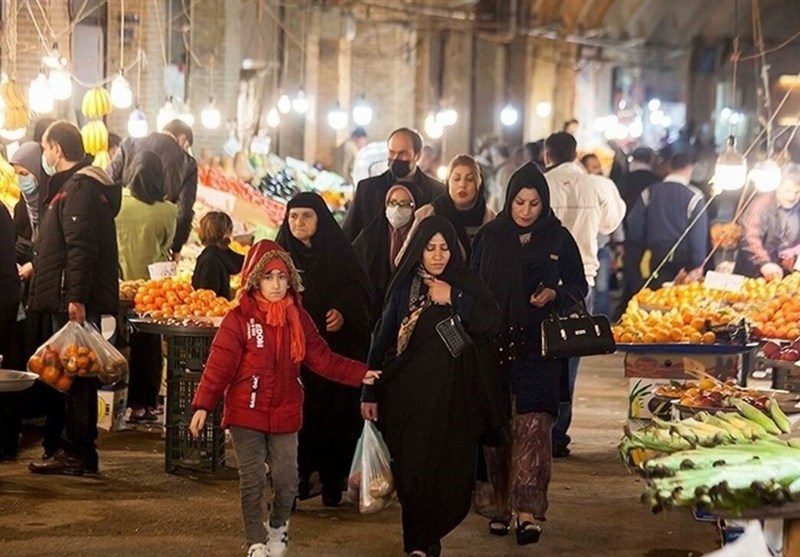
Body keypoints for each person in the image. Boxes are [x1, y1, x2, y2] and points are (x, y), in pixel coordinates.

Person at [189, 240, 379, 557]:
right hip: (246, 411)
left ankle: (277, 527)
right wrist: (203, 405)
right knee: (252, 480)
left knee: (287, 480)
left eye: (282, 277)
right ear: (255, 280)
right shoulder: (239, 319)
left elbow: (323, 359)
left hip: (286, 411)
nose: (276, 285)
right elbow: (219, 365)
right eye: (268, 277)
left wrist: (360, 373)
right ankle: (255, 541)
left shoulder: (298, 319)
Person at [361, 216, 501, 557]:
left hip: (454, 401)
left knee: (448, 473)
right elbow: (382, 338)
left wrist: (454, 297)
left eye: (444, 248)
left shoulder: (465, 283)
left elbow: (490, 320)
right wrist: (369, 390)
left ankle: (429, 536)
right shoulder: (405, 285)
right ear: (418, 251)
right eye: (430, 248)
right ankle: (417, 544)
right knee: (412, 472)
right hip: (407, 399)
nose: (438, 255)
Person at [471, 162, 588, 545]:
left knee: (534, 427)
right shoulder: (489, 237)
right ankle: (498, 506)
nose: (525, 210)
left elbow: (578, 285)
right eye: (519, 202)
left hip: (539, 349)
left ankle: (527, 511)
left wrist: (555, 294)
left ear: (545, 203)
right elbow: (473, 286)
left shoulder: (558, 237)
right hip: (494, 346)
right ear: (508, 201)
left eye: (534, 203)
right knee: (497, 426)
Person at [27, 121, 121, 476]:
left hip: (72, 299)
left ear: (58, 149)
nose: (45, 155)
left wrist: (76, 297)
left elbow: (80, 247)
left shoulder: (79, 189)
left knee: (75, 375)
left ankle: (77, 451)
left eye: (45, 148)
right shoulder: (77, 187)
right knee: (69, 374)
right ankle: (68, 447)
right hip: (69, 295)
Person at [276, 192, 374, 507]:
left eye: (307, 216)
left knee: (334, 420)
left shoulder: (339, 253)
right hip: (295, 358)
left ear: (321, 219)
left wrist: (343, 311)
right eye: (293, 216)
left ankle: (333, 481)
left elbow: (359, 291)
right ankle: (296, 483)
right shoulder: (280, 257)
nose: (299, 222)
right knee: (295, 421)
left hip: (333, 356)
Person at [544, 132, 625, 457]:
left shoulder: (542, 184)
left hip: (544, 285)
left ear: (547, 155)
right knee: (569, 362)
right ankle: (558, 435)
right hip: (581, 284)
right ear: (575, 154)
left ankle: (538, 429)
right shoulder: (595, 186)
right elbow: (610, 223)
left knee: (540, 358)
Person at [115, 151, 177, 422]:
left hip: (119, 285)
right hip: (153, 290)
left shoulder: (118, 203)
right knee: (149, 344)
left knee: (118, 344)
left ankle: (122, 401)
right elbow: (167, 245)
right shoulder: (168, 210)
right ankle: (147, 402)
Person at [108, 119, 197, 258]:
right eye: (186, 146)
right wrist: (176, 247)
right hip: (157, 241)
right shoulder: (188, 163)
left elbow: (109, 180)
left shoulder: (129, 144)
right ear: (182, 138)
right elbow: (184, 212)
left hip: (120, 237)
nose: (185, 150)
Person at [342, 127, 445, 242]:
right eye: (392, 152)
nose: (396, 158)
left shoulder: (437, 192)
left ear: (418, 155)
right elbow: (348, 235)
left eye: (402, 153)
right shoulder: (367, 190)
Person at [626, 152, 707, 289]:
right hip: (683, 263)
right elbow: (698, 235)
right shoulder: (695, 197)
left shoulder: (649, 192)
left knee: (656, 296)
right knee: (679, 298)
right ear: (689, 169)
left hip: (656, 257)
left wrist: (640, 252)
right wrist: (697, 263)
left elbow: (634, 226)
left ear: (669, 168)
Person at [405, 154, 495, 262]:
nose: (462, 184)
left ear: (478, 184)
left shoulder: (491, 220)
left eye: (469, 179)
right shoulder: (428, 215)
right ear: (448, 183)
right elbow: (405, 259)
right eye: (456, 179)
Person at [353, 181, 421, 319]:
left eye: (404, 204)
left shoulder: (421, 237)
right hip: (372, 311)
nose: (397, 209)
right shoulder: (369, 237)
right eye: (392, 203)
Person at [735, 163, 800, 279]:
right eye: (788, 191)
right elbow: (750, 237)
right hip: (755, 272)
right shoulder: (760, 205)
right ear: (778, 186)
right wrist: (765, 263)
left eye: (797, 192)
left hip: (788, 275)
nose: (792, 197)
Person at [192, 211, 244, 300]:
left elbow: (206, 296)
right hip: (220, 305)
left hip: (207, 307)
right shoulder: (223, 255)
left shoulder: (210, 259)